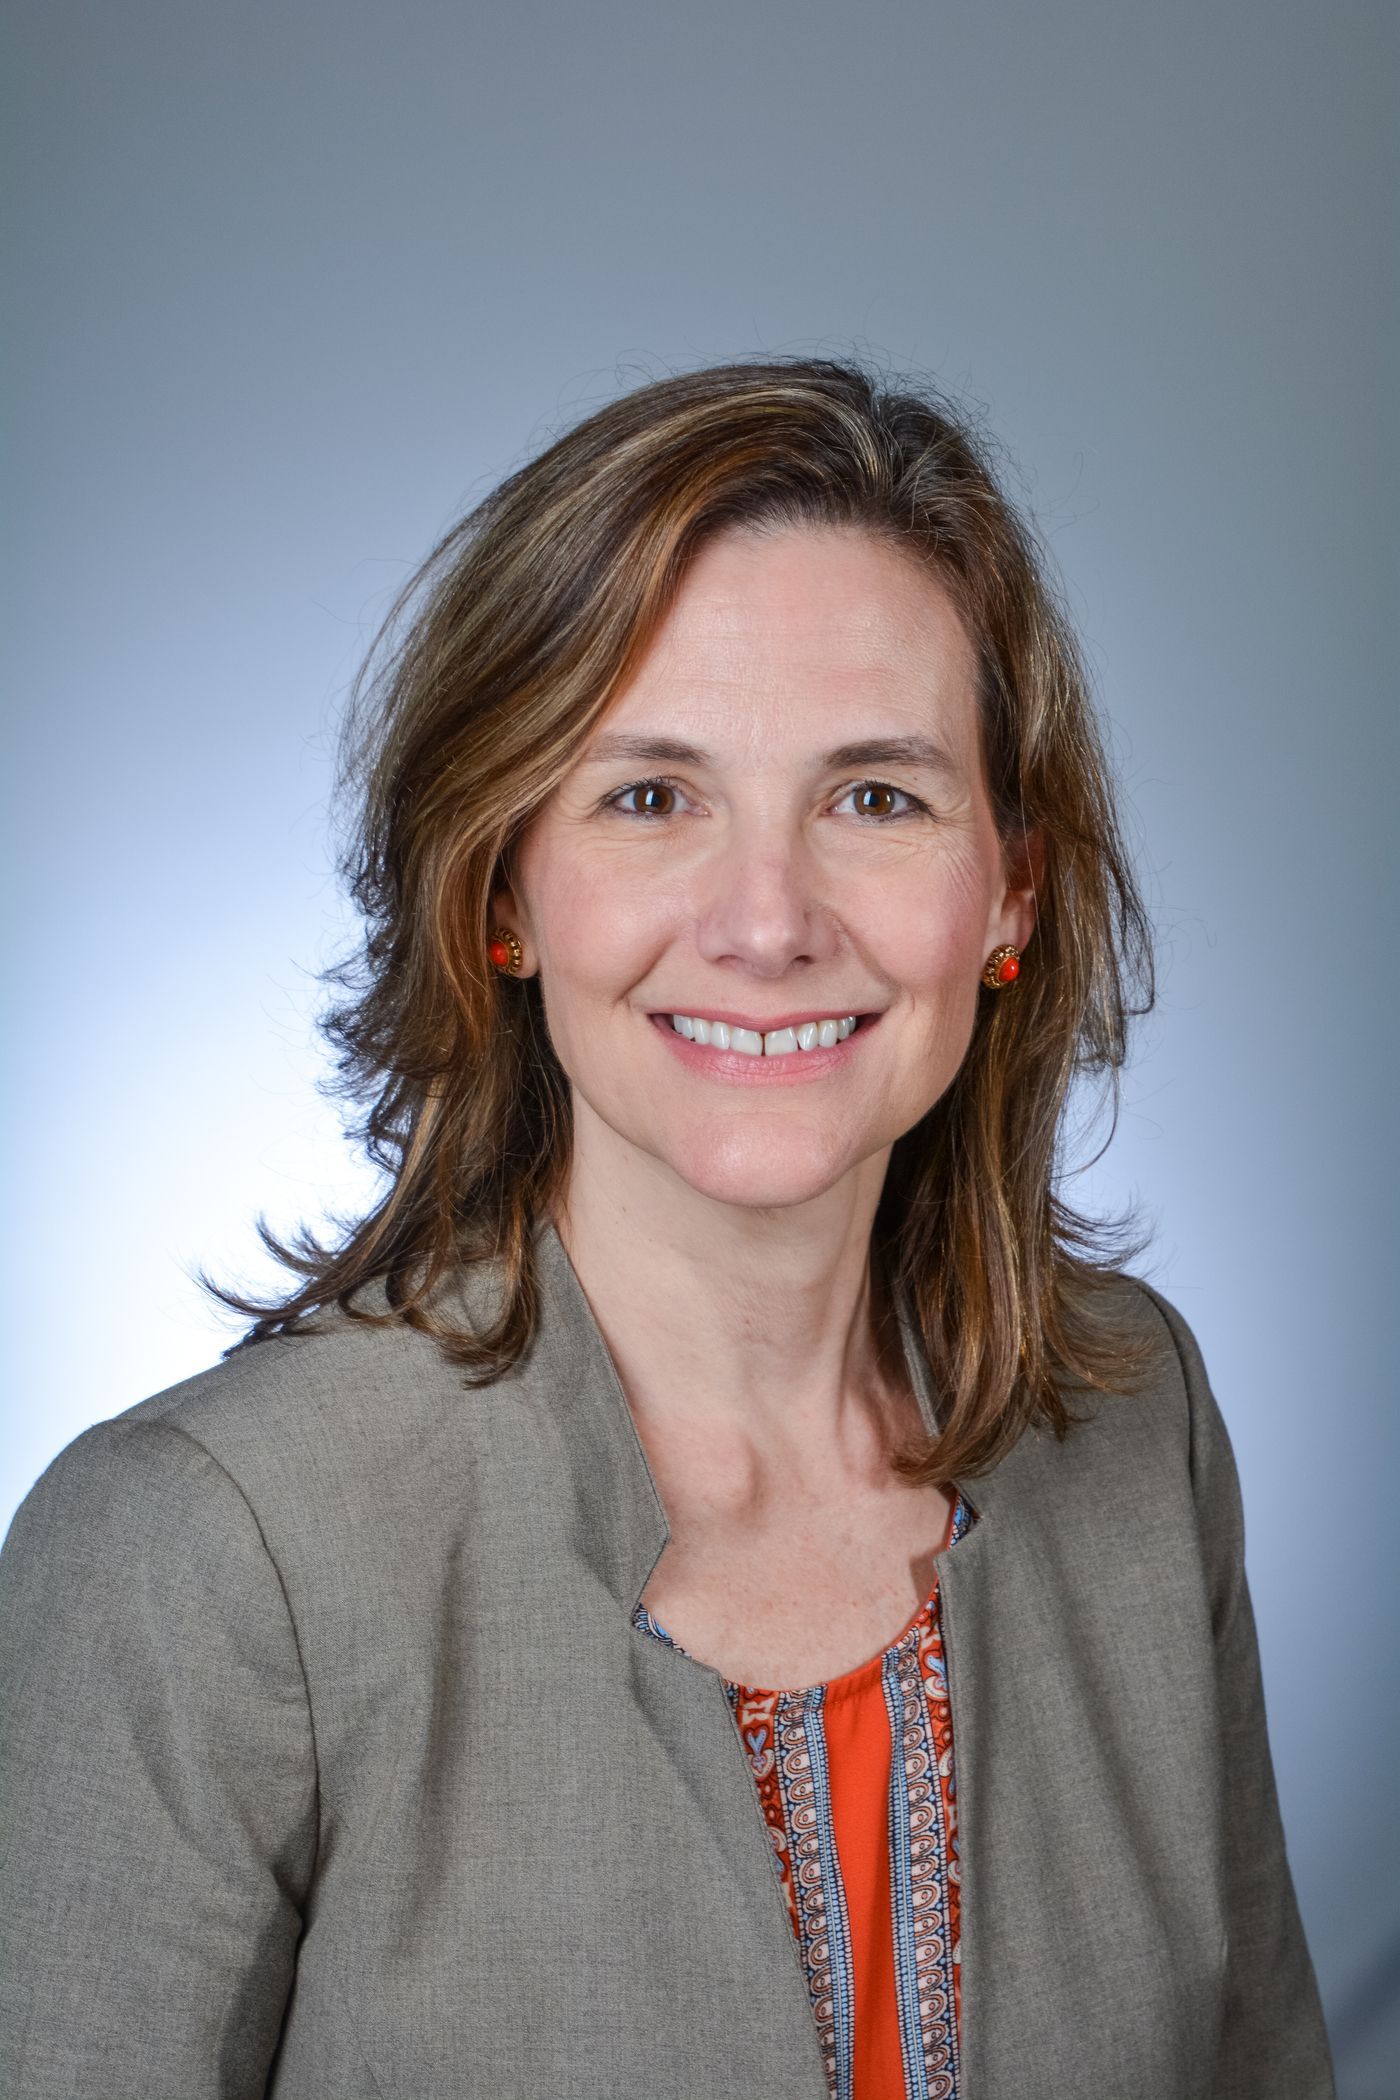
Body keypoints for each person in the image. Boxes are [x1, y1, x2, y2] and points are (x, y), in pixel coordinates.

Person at [0, 357, 1335, 2100]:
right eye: (650, 797)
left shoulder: (1139, 1429)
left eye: (877, 796)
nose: (766, 923)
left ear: (1010, 885)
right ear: (501, 888)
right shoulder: (205, 1554)